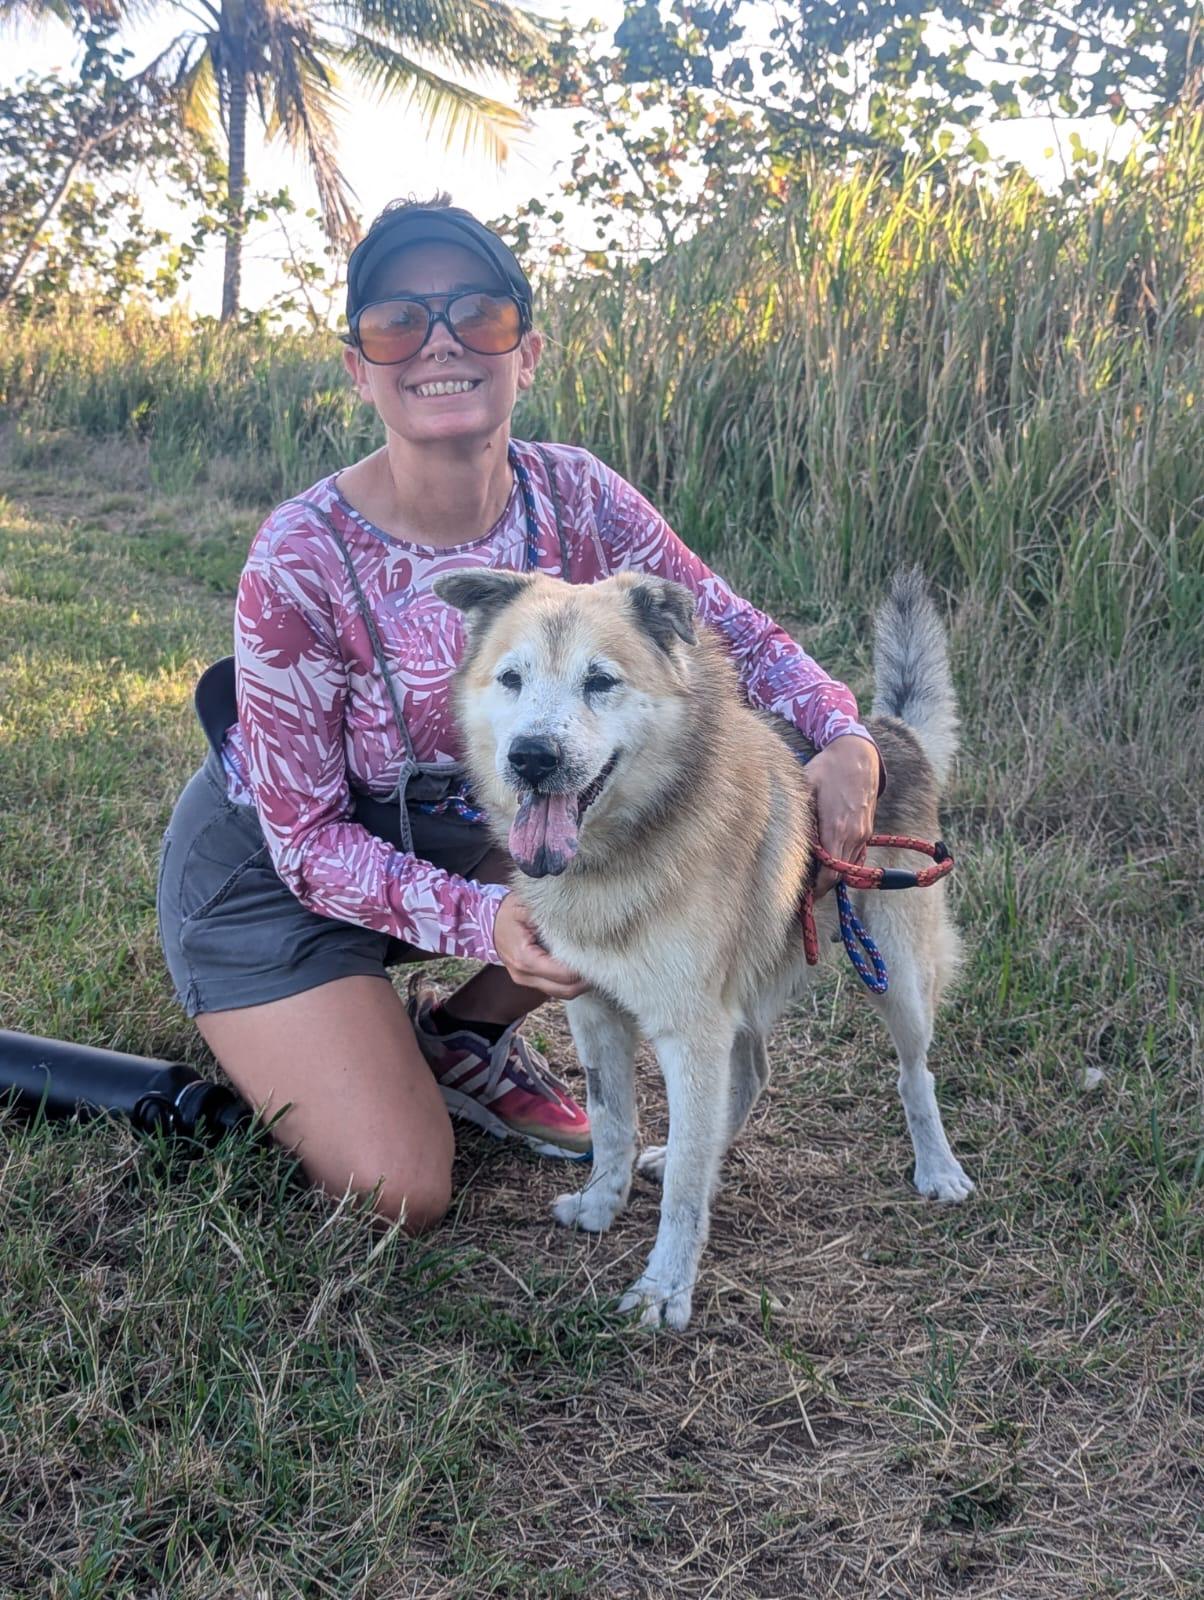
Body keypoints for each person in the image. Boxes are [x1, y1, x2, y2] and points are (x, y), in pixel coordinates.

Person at [156, 194, 883, 1236]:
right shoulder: (300, 557)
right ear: (359, 366)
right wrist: (484, 919)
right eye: (398, 323)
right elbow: (306, 841)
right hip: (272, 884)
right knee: (403, 1185)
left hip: (496, 829)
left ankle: (463, 1035)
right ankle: (317, 1026)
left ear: (526, 351)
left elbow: (730, 632)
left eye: (478, 318)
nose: (439, 343)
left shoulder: (578, 497)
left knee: (652, 851)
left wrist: (843, 735)